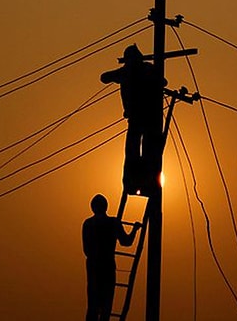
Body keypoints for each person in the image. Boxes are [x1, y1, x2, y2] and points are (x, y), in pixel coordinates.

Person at [100, 44, 166, 195]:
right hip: (146, 119)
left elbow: (104, 77)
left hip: (143, 119)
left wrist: (127, 73)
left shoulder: (132, 71)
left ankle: (139, 182)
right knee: (141, 151)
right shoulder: (141, 70)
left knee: (136, 151)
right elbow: (104, 77)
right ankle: (140, 182)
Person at [82, 194, 142, 321]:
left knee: (93, 306)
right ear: (105, 207)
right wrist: (135, 230)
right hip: (107, 268)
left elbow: (86, 250)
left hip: (93, 269)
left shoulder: (87, 224)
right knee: (106, 307)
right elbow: (126, 242)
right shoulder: (113, 222)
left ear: (92, 207)